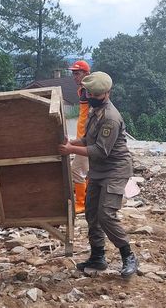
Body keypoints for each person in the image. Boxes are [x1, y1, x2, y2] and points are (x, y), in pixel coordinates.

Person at [58, 71, 138, 278]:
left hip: (115, 169)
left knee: (105, 214)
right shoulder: (95, 110)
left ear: (106, 94)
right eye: (88, 93)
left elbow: (101, 150)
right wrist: (71, 143)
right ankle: (97, 256)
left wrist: (70, 151)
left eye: (94, 94)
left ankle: (128, 255)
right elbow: (87, 139)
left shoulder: (110, 117)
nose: (89, 97)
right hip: (99, 170)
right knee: (92, 212)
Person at [68, 60, 91, 213]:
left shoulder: (89, 91)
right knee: (89, 170)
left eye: (78, 73)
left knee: (76, 169)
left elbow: (90, 115)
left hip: (85, 138)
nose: (75, 76)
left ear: (86, 74)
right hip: (83, 137)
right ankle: (90, 200)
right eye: (74, 74)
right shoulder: (84, 90)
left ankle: (82, 203)